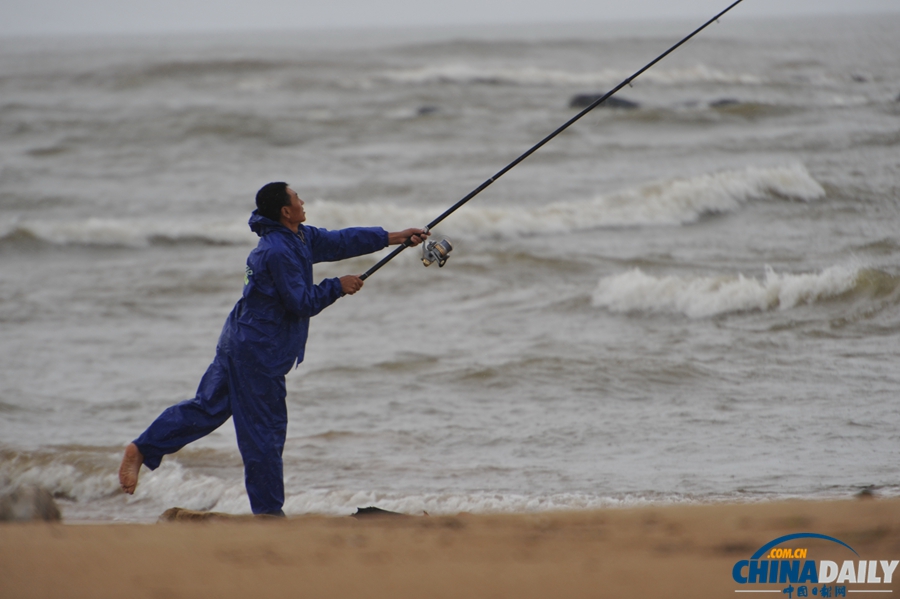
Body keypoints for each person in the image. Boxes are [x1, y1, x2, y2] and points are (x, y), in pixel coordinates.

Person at [118, 182, 428, 516]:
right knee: (264, 436)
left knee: (206, 409)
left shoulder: (296, 238)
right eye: (297, 198)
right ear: (285, 211)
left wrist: (394, 237)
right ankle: (268, 516)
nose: (303, 201)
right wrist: (337, 286)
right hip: (257, 353)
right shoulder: (278, 251)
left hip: (240, 341)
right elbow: (300, 303)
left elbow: (339, 240)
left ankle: (142, 448)